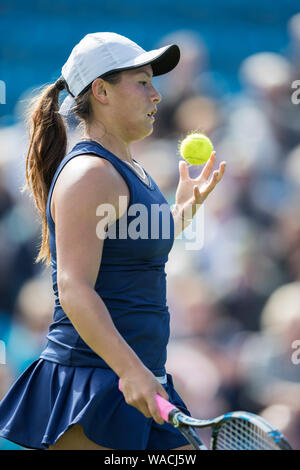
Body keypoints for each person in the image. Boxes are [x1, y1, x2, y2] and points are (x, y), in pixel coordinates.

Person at [0, 32, 226, 450]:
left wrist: (183, 213)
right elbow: (74, 287)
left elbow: (130, 254)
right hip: (94, 383)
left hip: (136, 377)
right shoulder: (90, 173)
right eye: (142, 82)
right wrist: (129, 371)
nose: (157, 95)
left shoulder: (129, 167)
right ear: (101, 91)